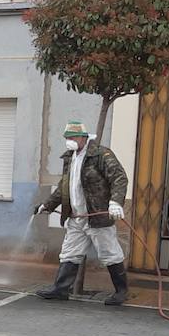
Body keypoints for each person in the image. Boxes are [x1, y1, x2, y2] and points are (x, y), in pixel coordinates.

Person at [32, 120, 130, 305]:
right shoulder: (70, 158)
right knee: (69, 253)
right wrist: (47, 205)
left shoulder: (101, 154)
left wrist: (115, 202)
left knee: (110, 253)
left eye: (73, 137)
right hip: (77, 217)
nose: (69, 140)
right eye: (67, 137)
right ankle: (60, 289)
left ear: (84, 137)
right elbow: (64, 187)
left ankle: (121, 292)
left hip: (97, 216)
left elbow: (119, 178)